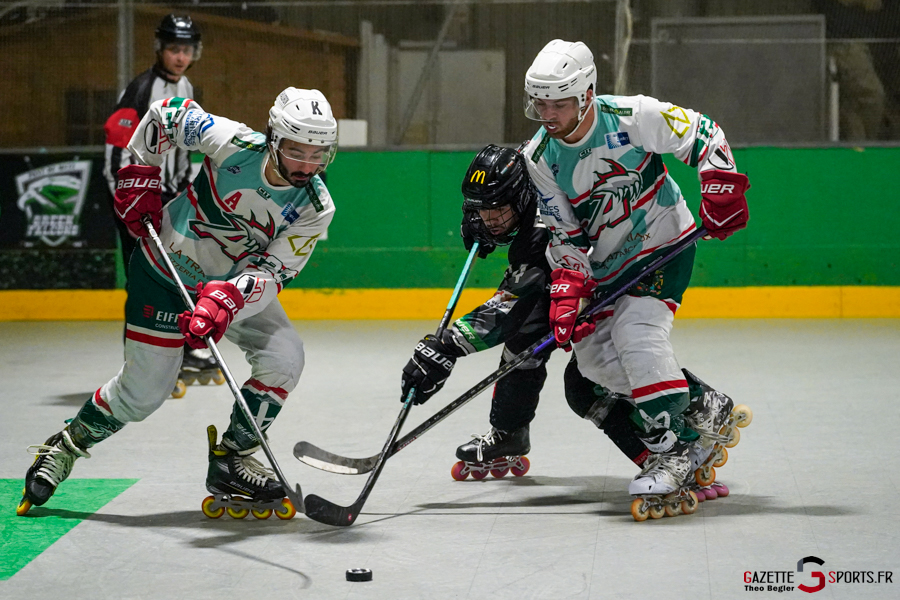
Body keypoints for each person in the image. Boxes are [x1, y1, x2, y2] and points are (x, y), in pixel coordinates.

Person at [17, 87, 338, 517]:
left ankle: (232, 458)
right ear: (274, 138)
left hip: (231, 290)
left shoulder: (316, 207)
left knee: (285, 356)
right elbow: (167, 114)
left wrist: (226, 300)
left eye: (319, 154)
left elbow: (273, 273)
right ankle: (66, 445)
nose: (308, 165)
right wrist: (140, 171)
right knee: (142, 396)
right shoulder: (233, 143)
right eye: (297, 151)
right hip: (164, 272)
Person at [399, 145, 739, 505]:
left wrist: (447, 346)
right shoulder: (526, 172)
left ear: (522, 197)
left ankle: (695, 409)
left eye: (498, 210)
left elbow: (511, 307)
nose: (490, 219)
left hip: (625, 266)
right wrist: (482, 219)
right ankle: (509, 433)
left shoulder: (542, 228)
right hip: (580, 271)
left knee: (583, 383)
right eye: (482, 210)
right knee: (526, 345)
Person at [520, 39, 750, 506]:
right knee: (593, 362)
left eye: (559, 103)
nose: (548, 114)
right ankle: (702, 404)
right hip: (609, 268)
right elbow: (564, 233)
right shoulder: (539, 157)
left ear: (586, 94)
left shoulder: (631, 115)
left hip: (663, 243)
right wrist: (568, 290)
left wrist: (720, 183)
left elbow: (703, 133)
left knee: (636, 335)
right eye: (540, 103)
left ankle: (674, 450)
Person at [103, 14, 216, 392]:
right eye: (174, 49)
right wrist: (128, 205)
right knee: (144, 284)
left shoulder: (186, 86)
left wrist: (186, 194)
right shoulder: (140, 90)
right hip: (135, 202)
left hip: (169, 199)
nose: (181, 57)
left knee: (180, 276)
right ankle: (139, 367)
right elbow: (115, 152)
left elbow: (184, 145)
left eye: (187, 50)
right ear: (160, 49)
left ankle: (180, 351)